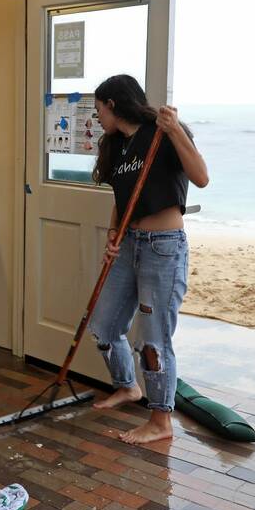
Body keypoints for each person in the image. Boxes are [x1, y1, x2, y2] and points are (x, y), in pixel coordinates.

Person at [86, 74, 209, 444]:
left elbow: (201, 177)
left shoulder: (160, 133)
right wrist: (113, 236)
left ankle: (160, 421)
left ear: (113, 104)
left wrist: (175, 132)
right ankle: (127, 386)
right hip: (128, 245)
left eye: (98, 110)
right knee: (104, 324)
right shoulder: (117, 146)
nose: (96, 118)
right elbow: (121, 200)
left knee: (154, 339)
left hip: (163, 246)